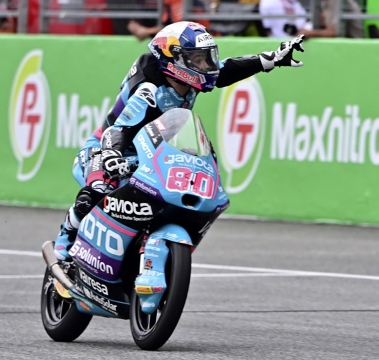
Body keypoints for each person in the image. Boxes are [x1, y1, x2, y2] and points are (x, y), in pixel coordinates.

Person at [53, 21, 306, 260]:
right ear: (174, 59)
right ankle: (65, 239)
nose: (207, 65)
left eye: (207, 57)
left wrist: (270, 60)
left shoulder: (189, 78)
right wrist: (110, 155)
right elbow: (118, 130)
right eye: (198, 59)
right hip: (108, 149)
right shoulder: (150, 91)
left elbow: (227, 70)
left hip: (150, 153)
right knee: (99, 189)